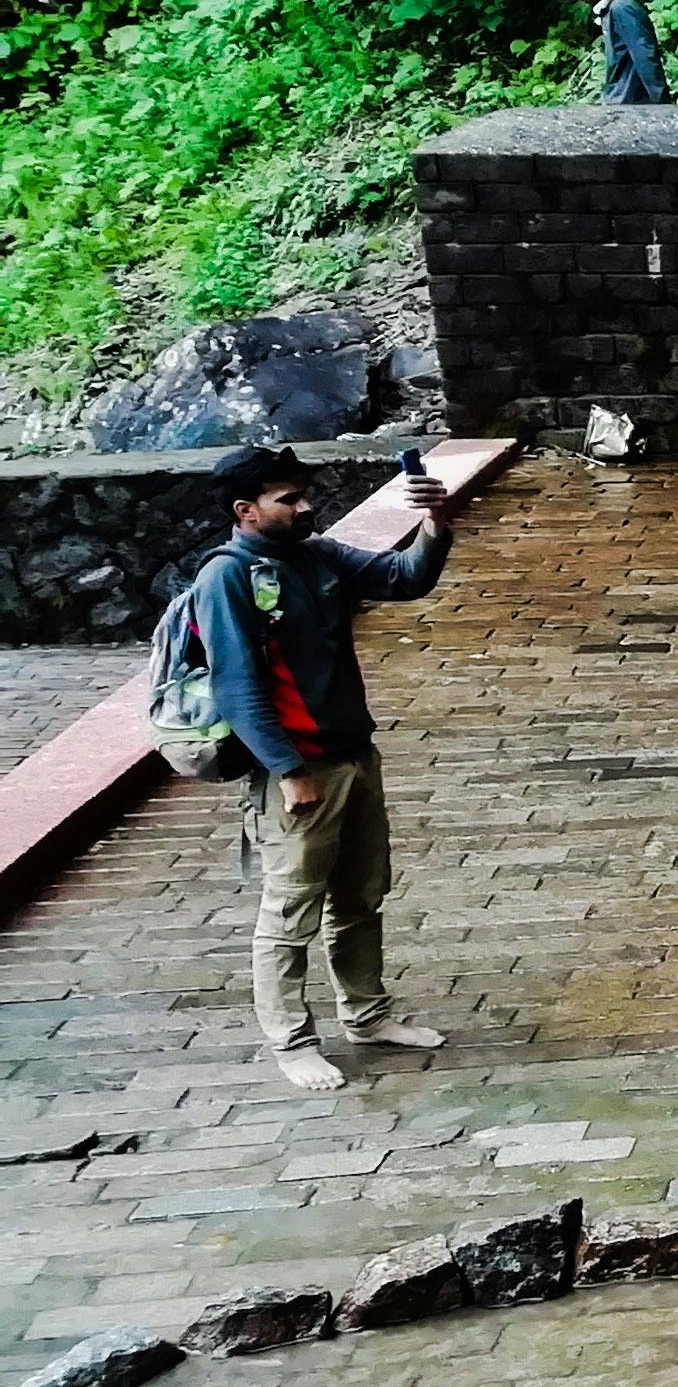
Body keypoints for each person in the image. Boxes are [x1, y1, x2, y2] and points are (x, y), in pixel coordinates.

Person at [196, 443, 457, 1093]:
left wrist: (433, 524)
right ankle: (292, 1042)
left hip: (353, 757)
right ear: (246, 511)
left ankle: (367, 1017)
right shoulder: (226, 579)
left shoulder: (316, 557)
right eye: (288, 499)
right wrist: (287, 769)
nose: (305, 506)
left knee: (362, 896)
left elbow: (406, 579)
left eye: (302, 494)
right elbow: (237, 686)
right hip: (298, 771)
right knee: (290, 913)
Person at [560, 0, 668, 103]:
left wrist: (661, 102)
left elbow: (644, 54)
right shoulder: (611, 9)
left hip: (633, 102)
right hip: (622, 100)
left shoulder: (621, 8)